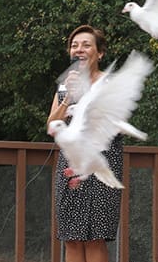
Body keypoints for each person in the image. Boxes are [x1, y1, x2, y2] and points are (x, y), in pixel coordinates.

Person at [46, 25, 122, 262]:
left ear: (99, 53)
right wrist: (69, 94)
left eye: (86, 44)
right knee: (71, 236)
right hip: (70, 166)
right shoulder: (65, 85)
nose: (79, 49)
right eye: (75, 45)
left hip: (100, 164)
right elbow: (52, 126)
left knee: (95, 237)